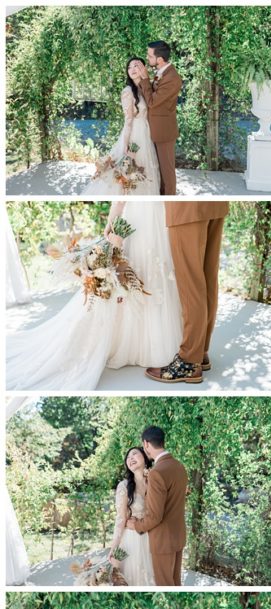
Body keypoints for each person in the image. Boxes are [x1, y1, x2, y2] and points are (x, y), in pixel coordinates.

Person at [5, 200, 182, 391]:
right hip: (161, 219)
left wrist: (111, 222)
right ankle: (155, 345)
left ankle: (131, 344)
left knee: (132, 273)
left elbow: (123, 196)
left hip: (139, 218)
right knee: (151, 274)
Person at [146, 202, 230, 383]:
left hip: (185, 210)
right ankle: (201, 352)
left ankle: (190, 361)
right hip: (214, 208)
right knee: (207, 281)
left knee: (190, 284)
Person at [83, 57, 161, 195]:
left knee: (145, 170)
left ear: (143, 68)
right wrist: (125, 144)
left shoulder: (146, 88)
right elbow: (128, 120)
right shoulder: (128, 91)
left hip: (146, 132)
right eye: (129, 67)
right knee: (129, 170)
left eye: (136, 66)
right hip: (135, 134)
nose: (132, 70)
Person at [127, 427, 187, 586]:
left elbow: (155, 516)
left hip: (162, 541)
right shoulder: (180, 467)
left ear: (146, 444)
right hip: (177, 536)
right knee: (175, 583)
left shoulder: (156, 473)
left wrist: (136, 525)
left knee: (166, 586)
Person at [134, 41, 182, 196]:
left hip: (164, 132)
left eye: (149, 56)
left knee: (167, 174)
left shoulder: (172, 78)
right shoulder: (162, 73)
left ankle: (169, 201)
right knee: (158, 171)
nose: (147, 58)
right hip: (154, 129)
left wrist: (145, 79)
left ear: (160, 59)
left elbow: (153, 102)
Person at [104, 446, 156, 586]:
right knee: (128, 580)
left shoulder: (155, 483)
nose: (130, 458)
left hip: (152, 539)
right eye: (128, 457)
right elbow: (121, 519)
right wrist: (114, 547)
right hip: (130, 540)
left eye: (134, 454)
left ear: (145, 458)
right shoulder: (124, 486)